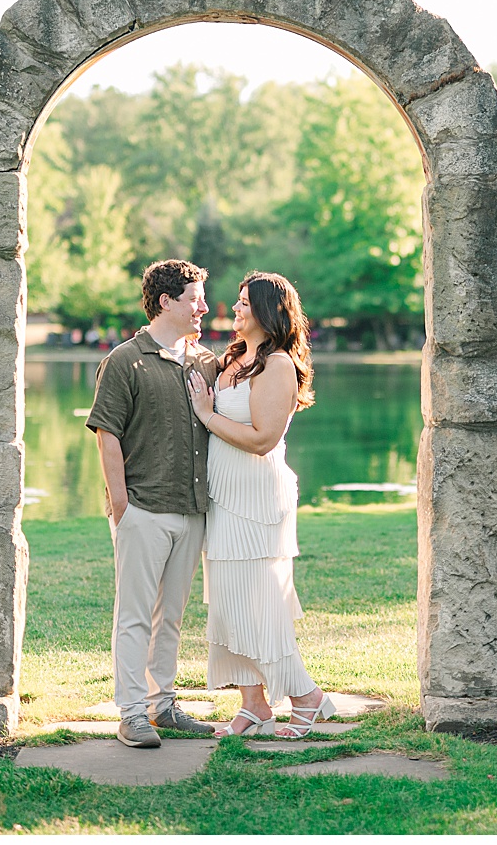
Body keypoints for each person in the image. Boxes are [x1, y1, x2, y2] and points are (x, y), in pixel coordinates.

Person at [187, 271, 336, 739]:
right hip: (223, 496)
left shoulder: (278, 367)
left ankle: (308, 698)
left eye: (245, 303)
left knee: (261, 604)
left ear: (269, 312)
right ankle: (254, 705)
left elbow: (263, 439)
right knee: (229, 603)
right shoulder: (234, 358)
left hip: (256, 499)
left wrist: (208, 416)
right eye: (237, 300)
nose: (235, 308)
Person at [85, 259, 219, 748]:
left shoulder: (205, 361)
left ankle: (163, 705)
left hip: (192, 510)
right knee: (135, 616)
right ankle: (131, 713)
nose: (204, 307)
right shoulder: (125, 360)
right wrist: (122, 509)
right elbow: (107, 434)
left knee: (172, 616)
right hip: (143, 510)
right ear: (166, 301)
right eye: (195, 298)